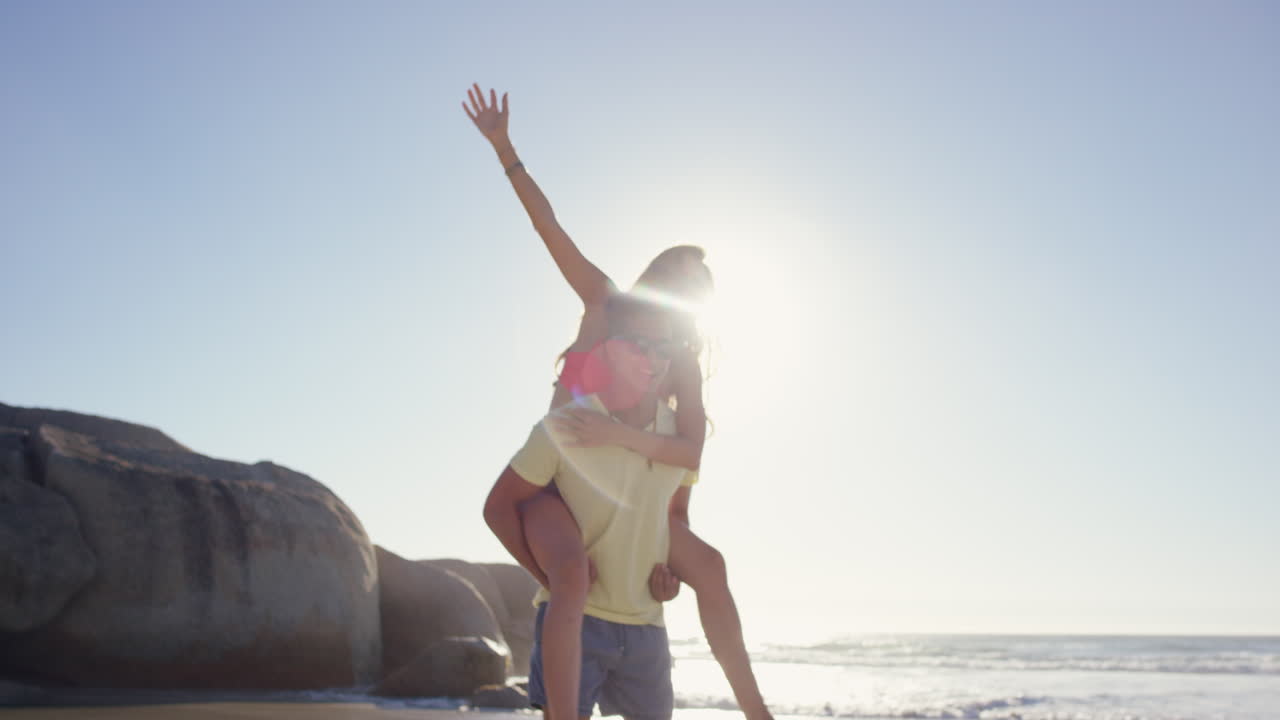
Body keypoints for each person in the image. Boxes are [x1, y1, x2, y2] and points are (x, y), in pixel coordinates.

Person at [465, 84, 771, 720]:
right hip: (557, 481)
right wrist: (505, 149)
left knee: (708, 566)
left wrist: (664, 563)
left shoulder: (678, 363)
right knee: (572, 578)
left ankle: (756, 712)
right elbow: (549, 228)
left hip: (630, 498)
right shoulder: (606, 304)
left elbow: (682, 466)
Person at [485, 293, 691, 720]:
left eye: (663, 347)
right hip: (576, 623)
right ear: (610, 348)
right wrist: (549, 576)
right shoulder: (566, 424)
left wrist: (671, 574)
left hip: (647, 628)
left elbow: (673, 517)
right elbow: (500, 507)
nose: (653, 358)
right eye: (639, 344)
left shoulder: (679, 438)